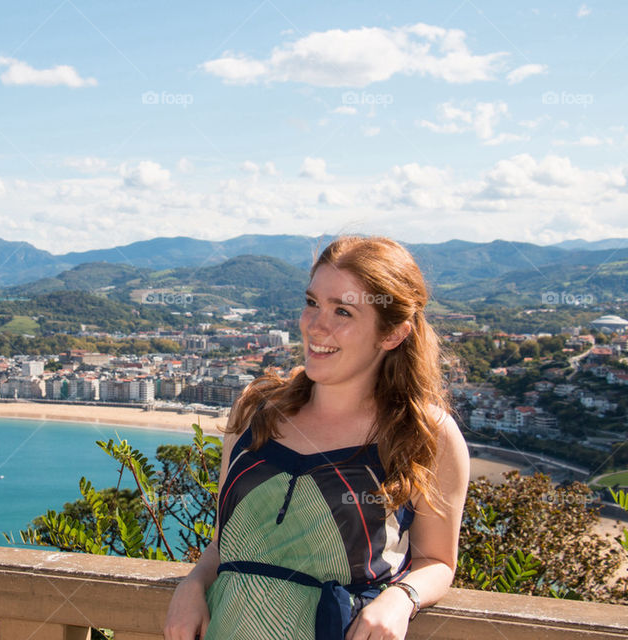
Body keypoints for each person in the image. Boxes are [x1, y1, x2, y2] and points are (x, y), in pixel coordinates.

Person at [164, 236, 470, 640]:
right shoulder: (256, 413)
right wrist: (194, 583)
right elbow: (224, 542)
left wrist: (401, 598)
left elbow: (437, 561)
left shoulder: (425, 433)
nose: (315, 325)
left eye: (342, 311)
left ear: (393, 333)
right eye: (312, 303)